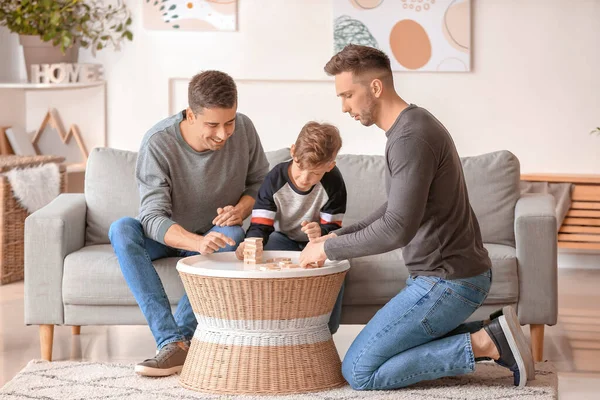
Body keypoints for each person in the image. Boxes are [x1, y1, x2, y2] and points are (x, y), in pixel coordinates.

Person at [299, 44, 535, 389]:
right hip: (446, 277)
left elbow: (397, 229)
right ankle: (496, 333)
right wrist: (337, 236)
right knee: (380, 357)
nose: (345, 107)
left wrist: (327, 250)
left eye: (348, 95)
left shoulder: (410, 137)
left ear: (375, 87)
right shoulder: (411, 125)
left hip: (448, 282)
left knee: (361, 371)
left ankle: (484, 343)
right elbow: (395, 208)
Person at [109, 70, 269, 377]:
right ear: (190, 115)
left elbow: (260, 184)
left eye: (229, 122)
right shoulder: (159, 142)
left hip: (217, 232)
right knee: (122, 229)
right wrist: (197, 243)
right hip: (172, 235)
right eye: (213, 125)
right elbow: (152, 217)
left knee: (233, 234)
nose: (224, 134)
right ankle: (171, 341)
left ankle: (179, 344)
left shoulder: (245, 128)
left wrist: (242, 208)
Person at [236, 121, 347, 333]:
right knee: (265, 255)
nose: (305, 179)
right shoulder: (275, 178)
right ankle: (270, 325)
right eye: (300, 168)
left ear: (329, 166)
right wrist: (249, 243)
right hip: (283, 238)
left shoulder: (334, 182)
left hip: (317, 242)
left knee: (337, 259)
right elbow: (260, 225)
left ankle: (326, 330)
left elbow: (333, 228)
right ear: (293, 152)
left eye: (315, 173)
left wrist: (320, 233)